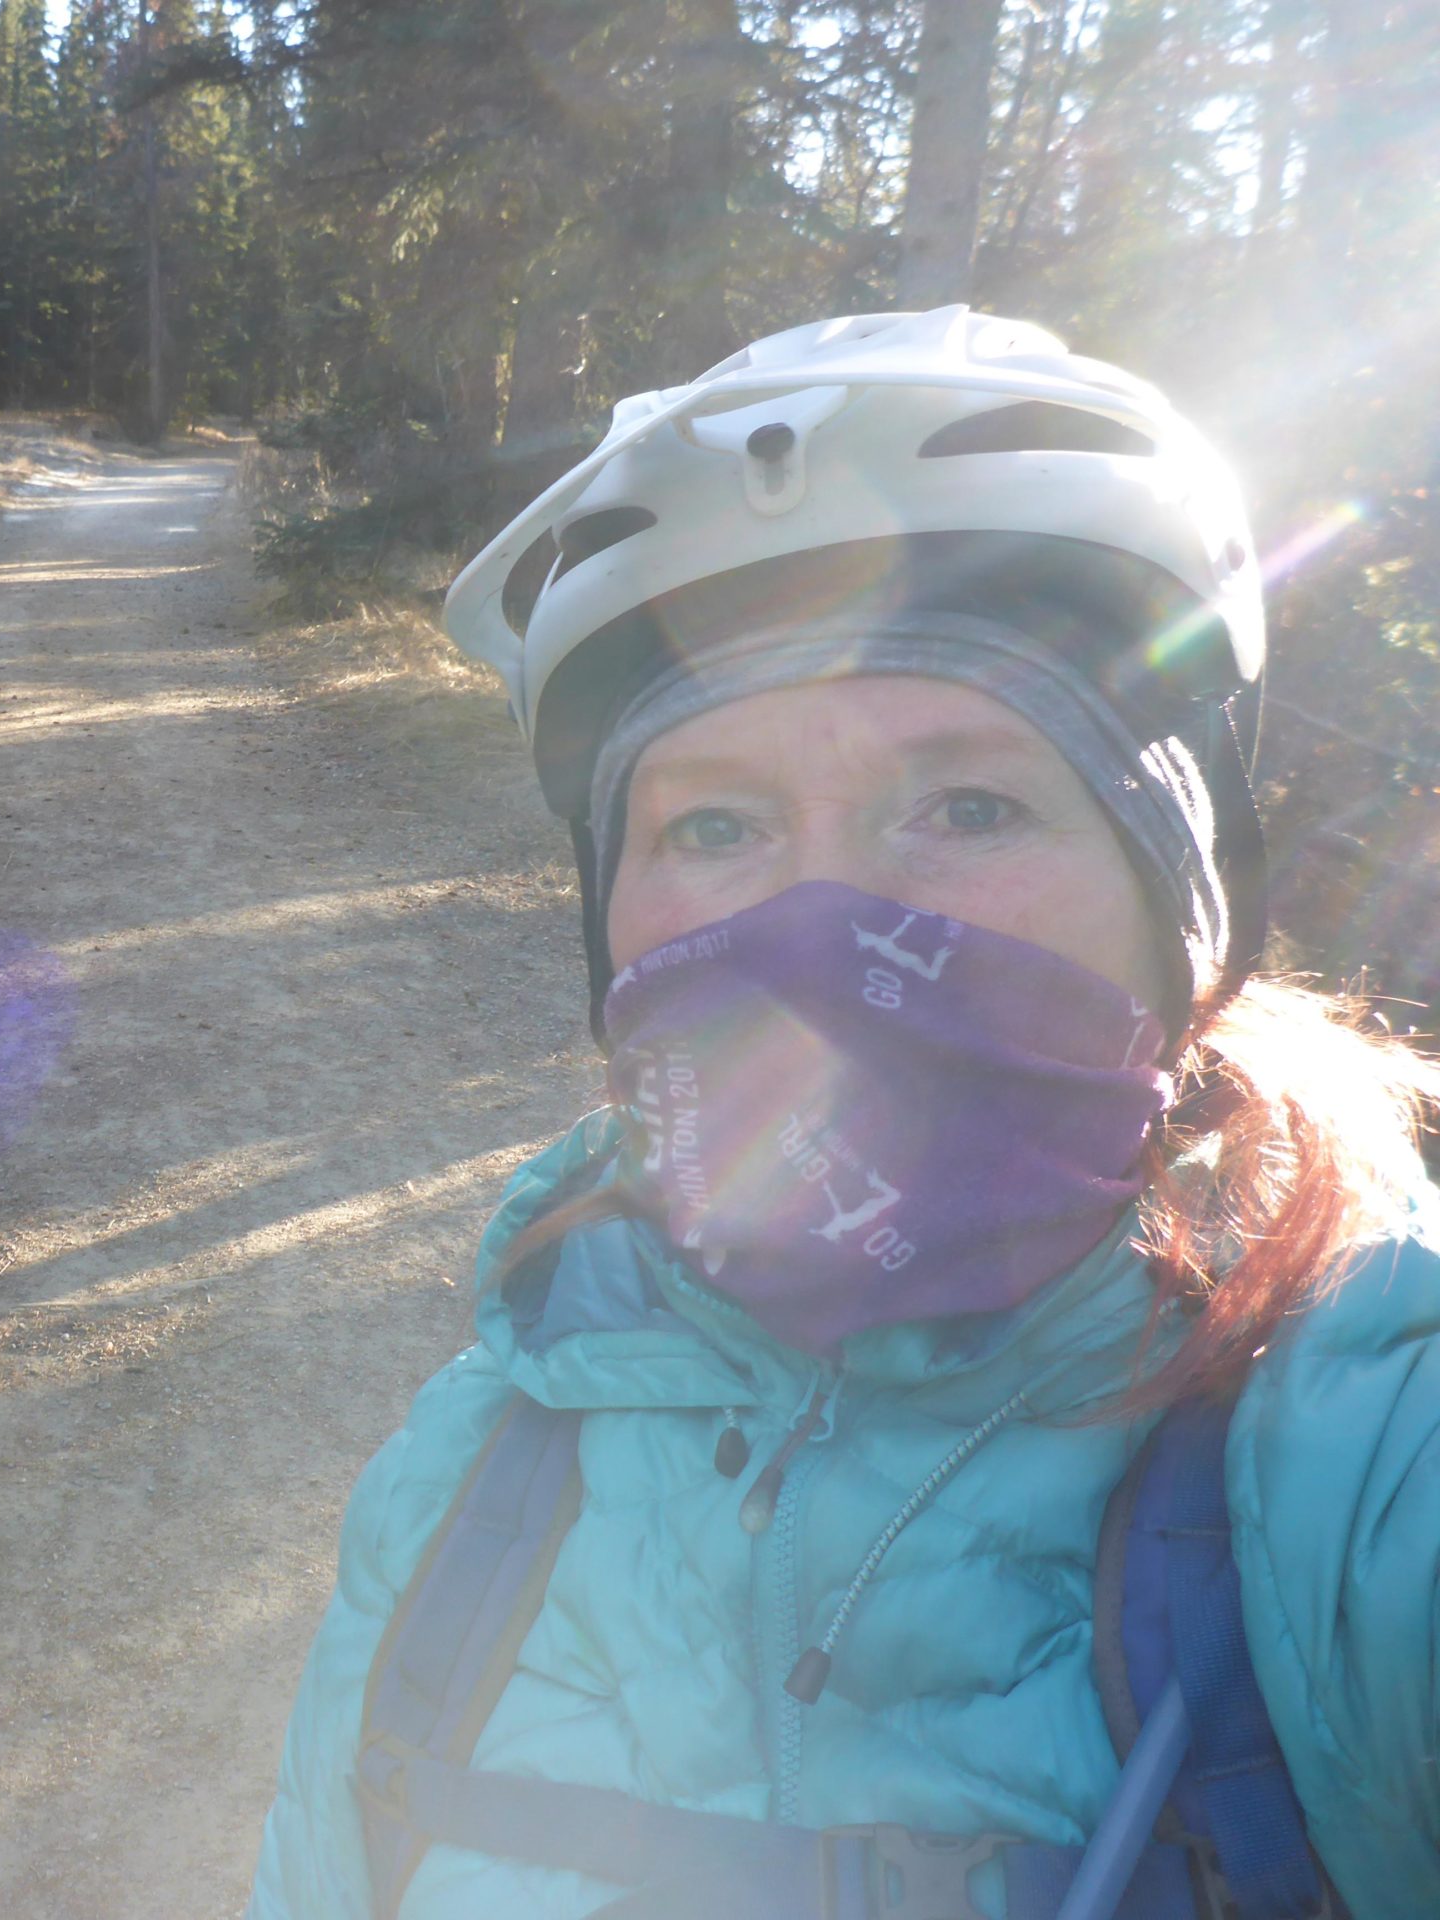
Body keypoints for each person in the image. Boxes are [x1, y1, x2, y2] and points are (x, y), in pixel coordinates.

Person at [247, 309, 1440, 1919]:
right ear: (612, 922)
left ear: (1184, 916)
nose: (833, 918)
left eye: (967, 804)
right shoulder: (479, 1455)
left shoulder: (1369, 1453)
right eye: (718, 822)